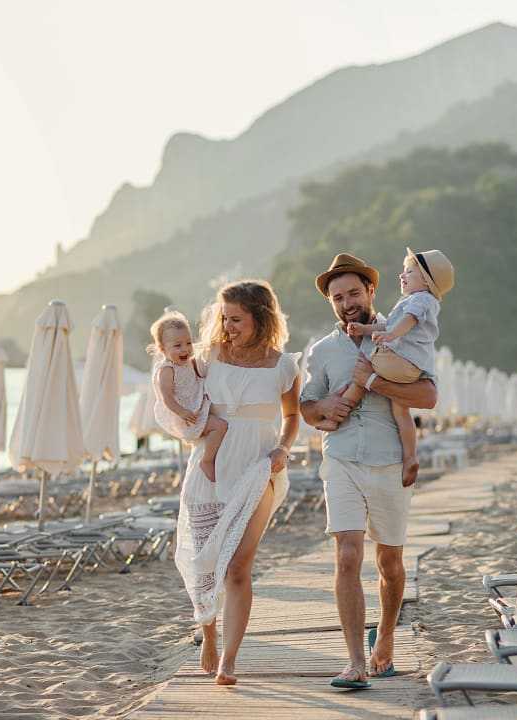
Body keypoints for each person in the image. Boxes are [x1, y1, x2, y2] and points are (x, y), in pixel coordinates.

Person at [299, 252, 438, 689]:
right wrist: (322, 407)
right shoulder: (322, 351)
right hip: (340, 458)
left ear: (371, 291)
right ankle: (356, 661)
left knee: (391, 563)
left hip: (390, 462)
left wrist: (374, 383)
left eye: (353, 293)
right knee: (346, 556)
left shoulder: (403, 334)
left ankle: (388, 638)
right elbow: (306, 405)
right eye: (337, 297)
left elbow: (428, 395)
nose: (346, 303)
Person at [172, 280, 301, 686]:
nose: (228, 326)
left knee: (239, 565)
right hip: (209, 466)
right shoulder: (208, 356)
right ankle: (208, 632)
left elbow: (293, 417)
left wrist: (282, 448)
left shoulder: (284, 366)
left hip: (258, 467)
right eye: (224, 318)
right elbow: (175, 386)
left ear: (261, 318)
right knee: (205, 561)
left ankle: (229, 659)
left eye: (237, 319)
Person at [321, 248, 453, 487]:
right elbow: (389, 327)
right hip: (408, 366)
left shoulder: (420, 300)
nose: (402, 276)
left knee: (365, 363)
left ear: (426, 281)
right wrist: (366, 330)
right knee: (400, 411)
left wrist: (389, 337)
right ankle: (411, 456)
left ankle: (340, 411)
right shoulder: (415, 300)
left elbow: (405, 322)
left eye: (410, 272)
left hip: (401, 361)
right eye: (338, 297)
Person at [149, 311, 229, 481]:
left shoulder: (189, 362)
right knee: (220, 426)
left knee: (222, 425)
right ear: (162, 349)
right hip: (187, 416)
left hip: (197, 407)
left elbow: (200, 374)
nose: (185, 349)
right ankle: (207, 461)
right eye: (177, 346)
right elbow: (166, 398)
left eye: (188, 343)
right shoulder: (167, 370)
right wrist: (182, 412)